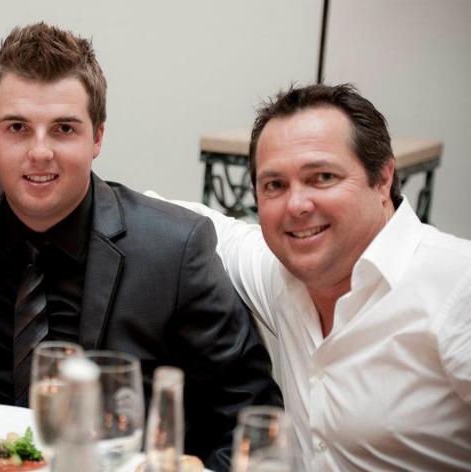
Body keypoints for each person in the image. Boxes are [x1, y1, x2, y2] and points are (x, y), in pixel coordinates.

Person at [0, 22, 280, 471]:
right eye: (17, 128)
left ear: (98, 136)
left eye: (64, 128)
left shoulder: (175, 250)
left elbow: (252, 419)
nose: (39, 152)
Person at [152, 84, 471, 470]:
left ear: (383, 178)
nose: (297, 205)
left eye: (322, 177)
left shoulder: (457, 287)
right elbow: (190, 222)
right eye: (275, 185)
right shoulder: (279, 272)